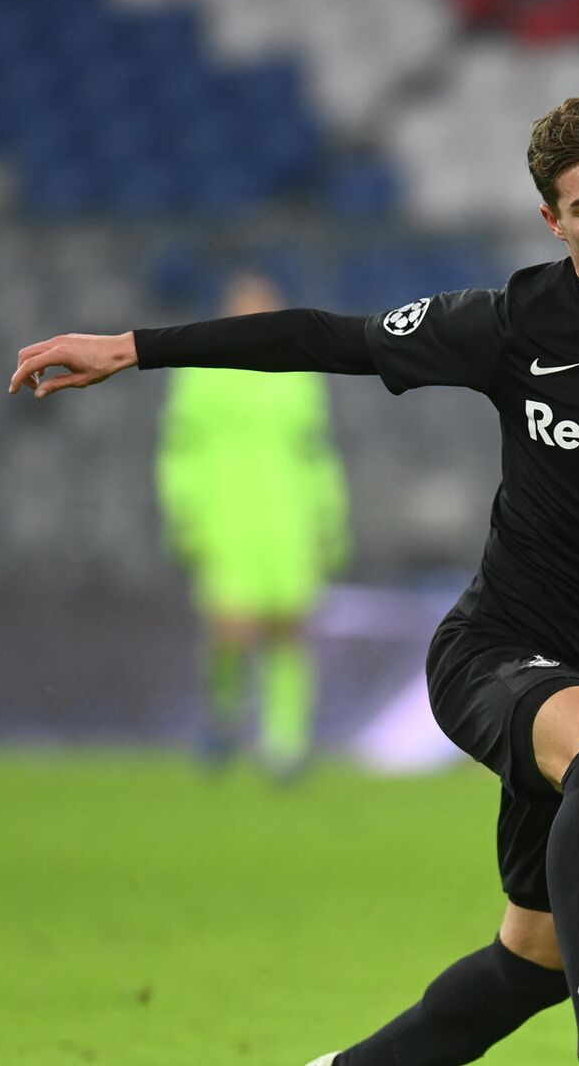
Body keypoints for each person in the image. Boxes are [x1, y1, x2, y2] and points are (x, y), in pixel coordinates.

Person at [9, 96, 579, 1066]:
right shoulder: (517, 324)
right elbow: (329, 337)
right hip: (497, 656)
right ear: (552, 224)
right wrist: (134, 348)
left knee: (528, 958)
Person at [156, 268, 350, 780]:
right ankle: (224, 720)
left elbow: (315, 450)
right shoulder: (200, 369)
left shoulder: (297, 372)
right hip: (227, 513)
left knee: (289, 628)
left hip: (288, 514)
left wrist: (330, 517)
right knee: (232, 628)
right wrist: (185, 514)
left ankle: (285, 744)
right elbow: (181, 449)